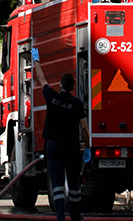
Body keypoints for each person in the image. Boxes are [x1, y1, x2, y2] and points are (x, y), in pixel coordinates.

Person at [32, 48, 89, 221]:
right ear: (72, 88)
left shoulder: (52, 97)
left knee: (57, 184)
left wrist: (36, 60)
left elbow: (41, 79)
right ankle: (75, 216)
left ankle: (60, 217)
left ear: (61, 86)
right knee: (74, 185)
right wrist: (88, 147)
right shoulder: (77, 104)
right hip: (71, 147)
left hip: (54, 146)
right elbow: (84, 128)